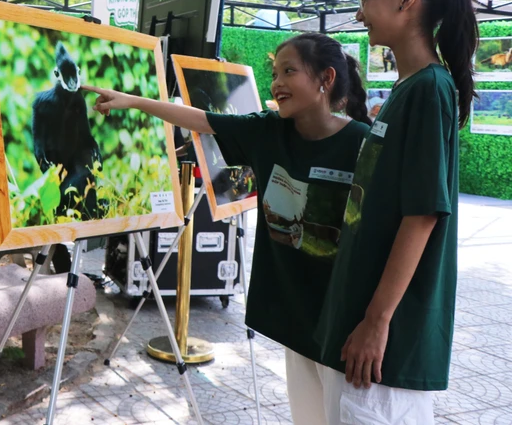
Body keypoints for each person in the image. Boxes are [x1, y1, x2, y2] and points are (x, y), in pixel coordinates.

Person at [84, 33, 371, 423]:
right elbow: (201, 119)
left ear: (326, 79)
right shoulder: (268, 131)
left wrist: (378, 320)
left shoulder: (363, 145)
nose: (276, 83)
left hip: (343, 319)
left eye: (289, 71)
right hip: (296, 315)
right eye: (274, 73)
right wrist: (132, 101)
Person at [315, 0, 477, 423]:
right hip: (362, 331)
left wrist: (377, 320)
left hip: (386, 348)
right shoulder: (409, 90)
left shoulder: (430, 90)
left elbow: (423, 214)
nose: (359, 13)